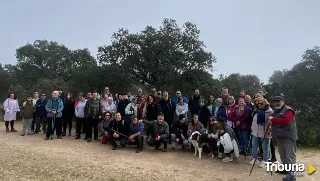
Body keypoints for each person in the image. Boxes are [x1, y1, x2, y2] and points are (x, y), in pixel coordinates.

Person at [268, 96, 297, 181]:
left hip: (288, 136)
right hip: (280, 136)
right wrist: (271, 122)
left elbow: (286, 121)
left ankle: (292, 175)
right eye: (274, 101)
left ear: (283, 101)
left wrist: (273, 119)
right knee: (282, 155)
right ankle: (285, 169)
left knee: (290, 156)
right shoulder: (276, 110)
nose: (276, 103)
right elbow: (273, 120)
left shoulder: (288, 110)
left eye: (278, 101)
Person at [250, 97, 273, 167]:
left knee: (265, 147)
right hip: (256, 131)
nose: (259, 104)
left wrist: (270, 129)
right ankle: (255, 158)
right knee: (254, 145)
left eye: (261, 103)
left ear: (265, 103)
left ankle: (265, 161)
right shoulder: (256, 110)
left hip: (264, 131)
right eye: (258, 103)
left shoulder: (269, 111)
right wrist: (252, 128)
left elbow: (271, 122)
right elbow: (254, 120)